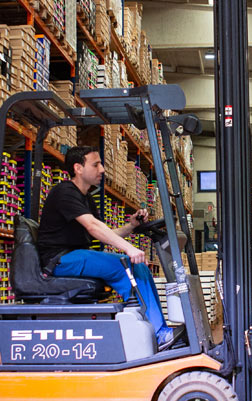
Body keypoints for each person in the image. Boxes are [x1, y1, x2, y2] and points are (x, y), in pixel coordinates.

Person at [37, 145, 183, 351]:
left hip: (76, 257)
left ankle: (160, 329)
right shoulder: (65, 192)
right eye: (96, 164)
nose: (102, 169)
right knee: (123, 266)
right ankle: (159, 334)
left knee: (140, 268)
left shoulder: (86, 198)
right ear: (78, 168)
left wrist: (131, 226)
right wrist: (128, 249)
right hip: (60, 260)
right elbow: (93, 227)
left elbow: (105, 234)